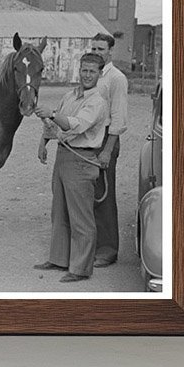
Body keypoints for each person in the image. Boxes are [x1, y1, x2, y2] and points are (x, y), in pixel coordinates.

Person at [33, 53, 109, 283]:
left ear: (100, 74)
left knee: (81, 218)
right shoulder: (69, 95)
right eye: (84, 70)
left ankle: (80, 268)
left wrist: (53, 114)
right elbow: (54, 124)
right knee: (59, 211)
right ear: (80, 70)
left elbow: (75, 124)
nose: (87, 75)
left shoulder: (97, 101)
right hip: (63, 156)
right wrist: (44, 141)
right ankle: (59, 259)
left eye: (92, 71)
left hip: (82, 159)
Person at [90, 32, 129, 267]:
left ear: (110, 52)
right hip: (87, 137)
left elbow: (119, 119)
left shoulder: (116, 78)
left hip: (106, 139)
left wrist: (107, 150)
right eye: (93, 49)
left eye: (100, 50)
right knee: (87, 193)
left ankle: (107, 250)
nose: (96, 53)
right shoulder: (90, 74)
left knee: (103, 193)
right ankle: (89, 246)